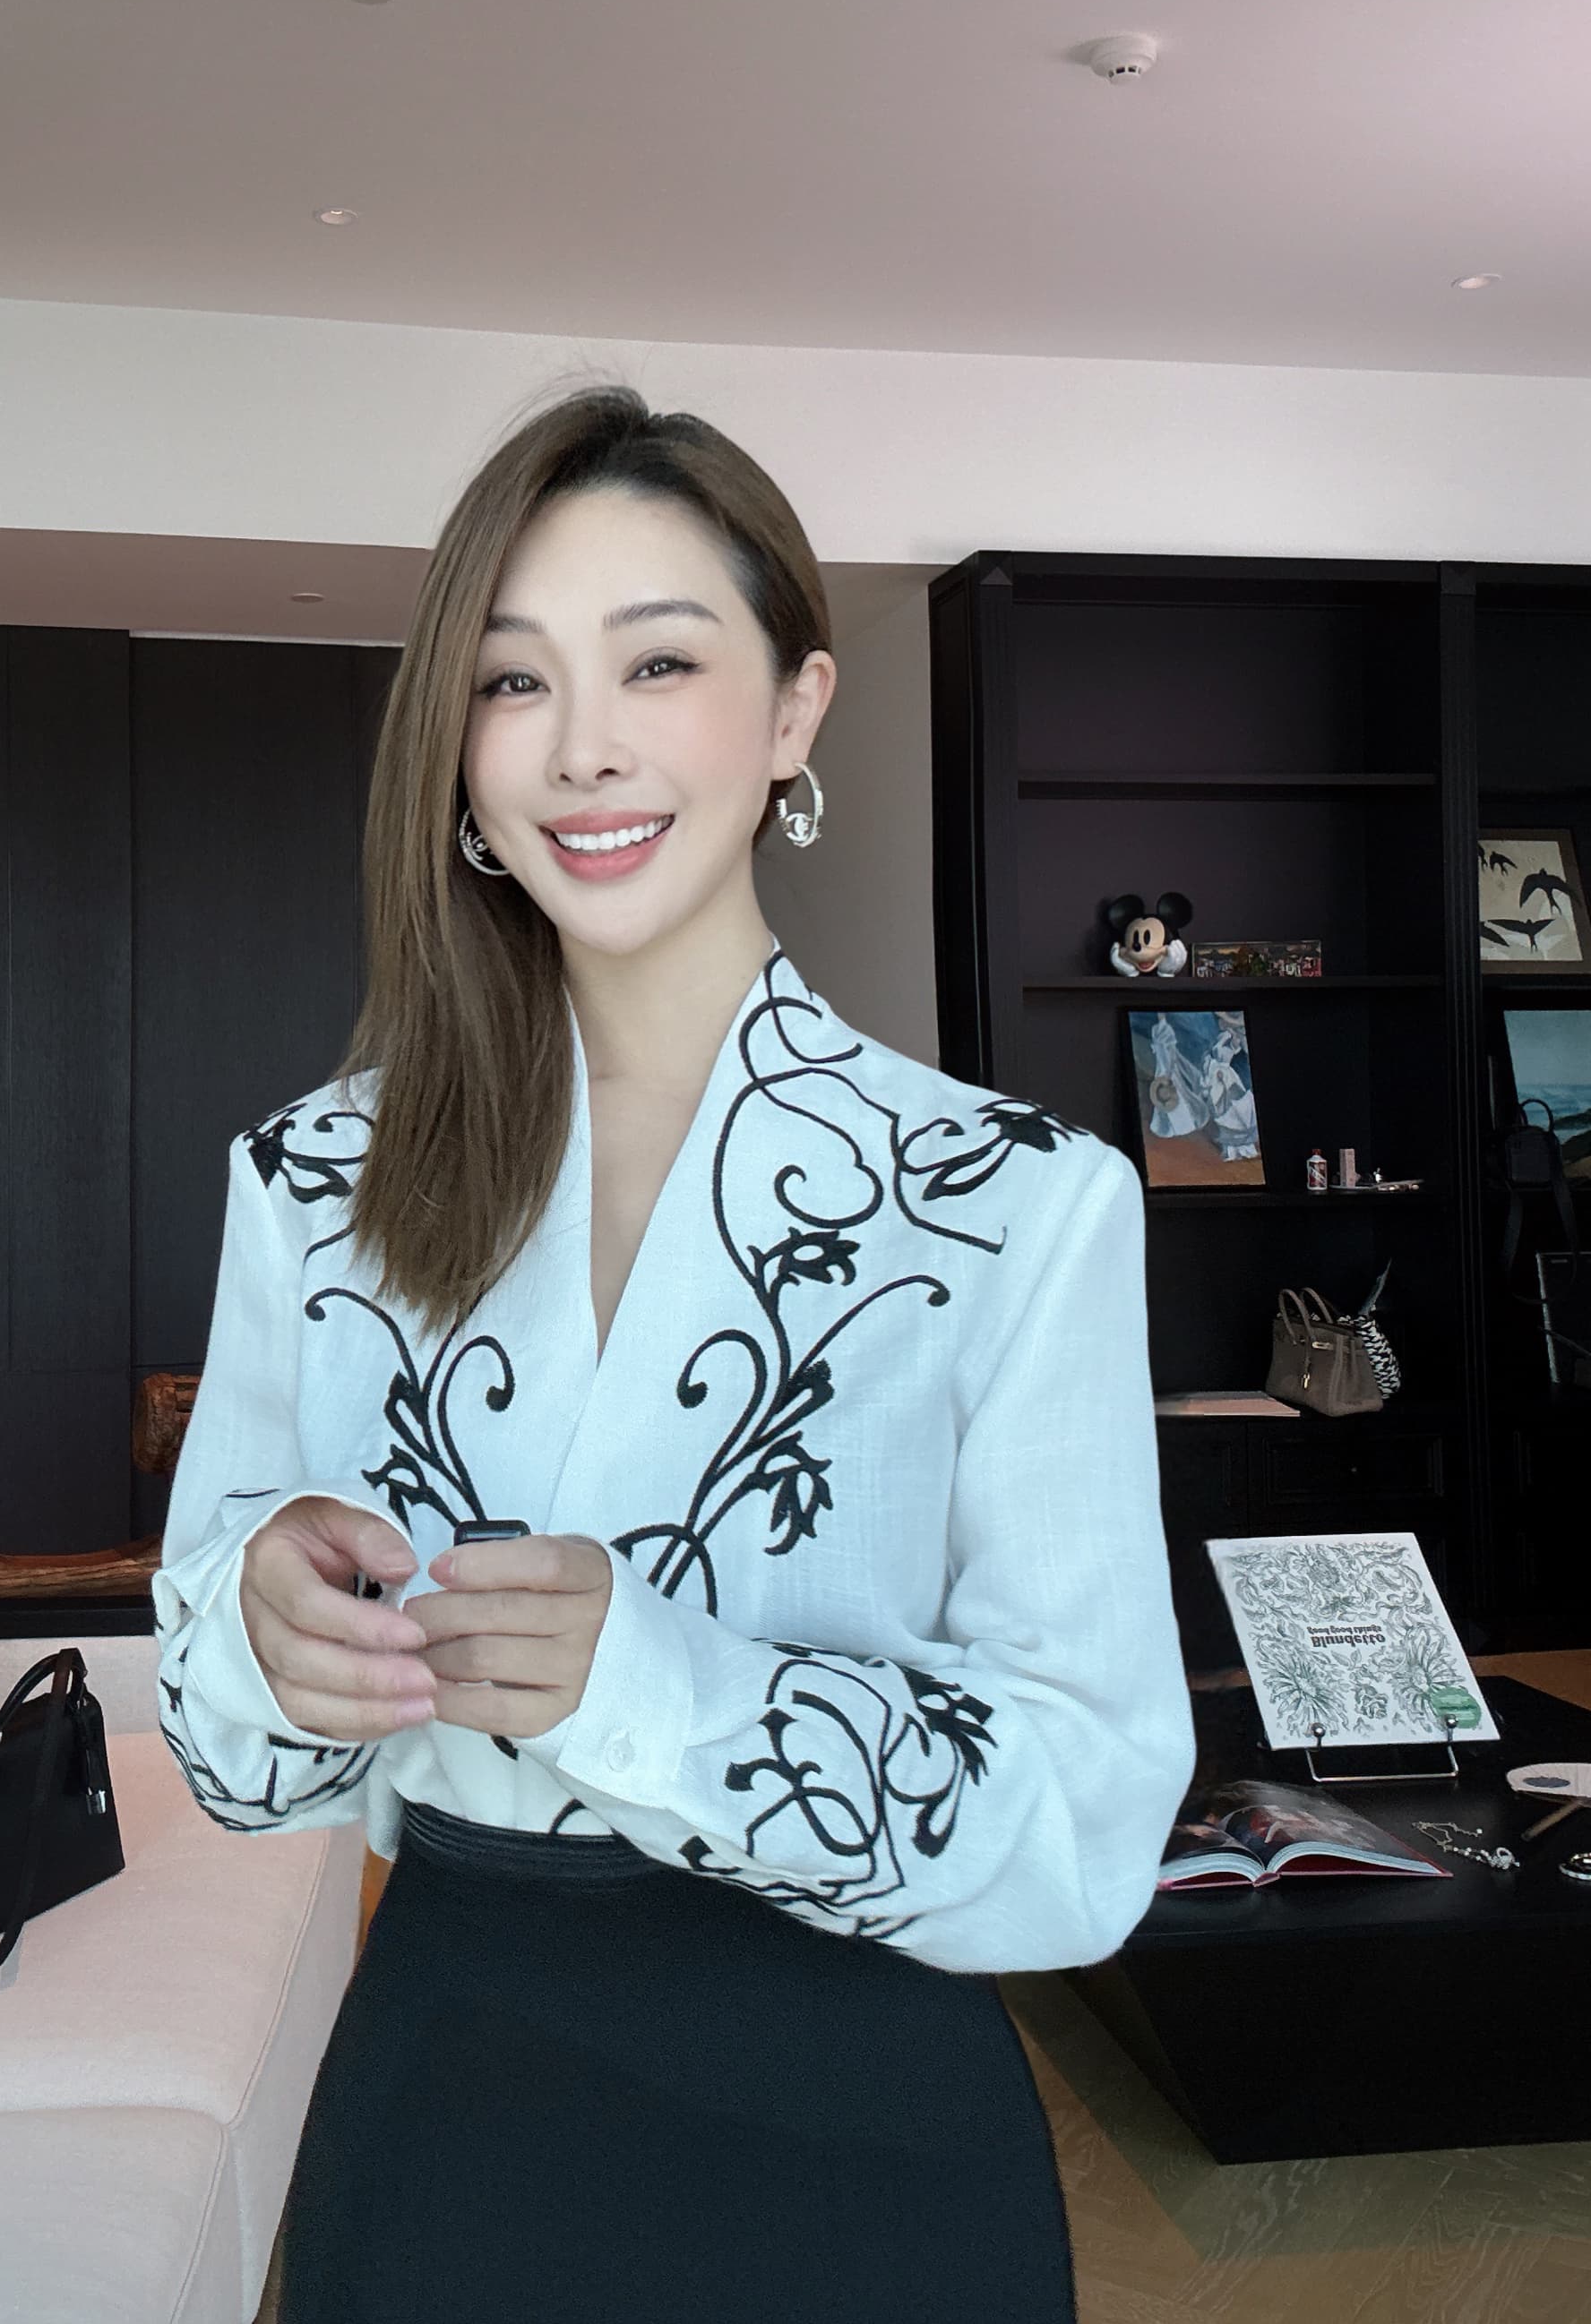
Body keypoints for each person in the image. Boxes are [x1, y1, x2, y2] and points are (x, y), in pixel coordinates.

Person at [152, 383, 1198, 2324]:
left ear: (795, 710)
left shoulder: (1011, 1205)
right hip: (452, 2108)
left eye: (658, 661)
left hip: (869, 2132)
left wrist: (651, 1684)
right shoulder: (312, 1183)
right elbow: (226, 1763)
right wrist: (258, 1628)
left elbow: (1083, 1822)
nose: (584, 747)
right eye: (513, 680)